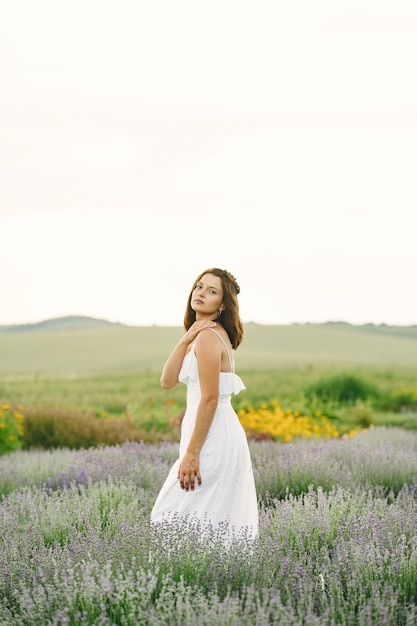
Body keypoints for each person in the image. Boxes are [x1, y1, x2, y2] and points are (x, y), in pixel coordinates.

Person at [150, 268, 258, 544]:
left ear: (222, 305)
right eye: (199, 286)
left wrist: (191, 454)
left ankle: (188, 582)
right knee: (207, 518)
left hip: (212, 434)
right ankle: (215, 583)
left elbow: (210, 398)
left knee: (169, 516)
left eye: (212, 291)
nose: (201, 293)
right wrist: (185, 338)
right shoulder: (200, 335)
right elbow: (167, 380)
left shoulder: (209, 337)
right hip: (212, 429)